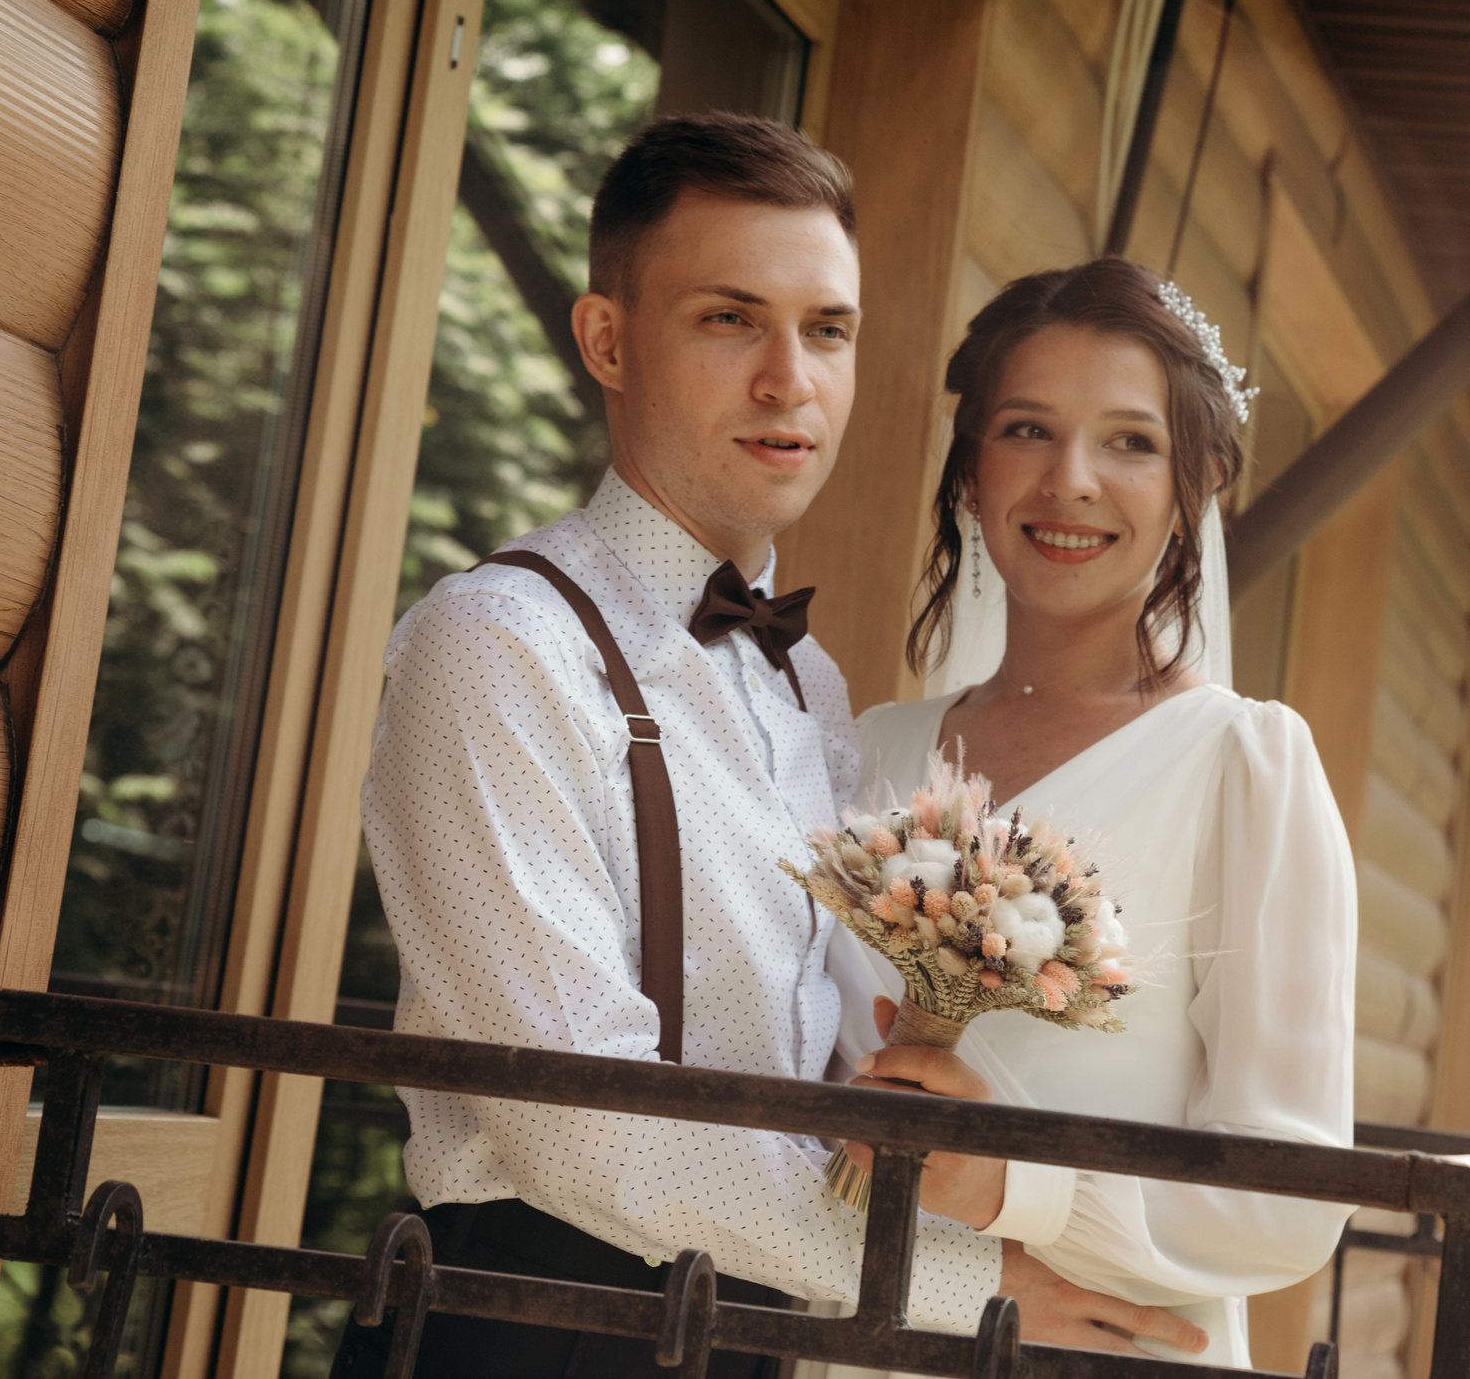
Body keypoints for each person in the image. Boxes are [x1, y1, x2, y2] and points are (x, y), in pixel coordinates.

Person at [336, 116, 1204, 1379]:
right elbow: (570, 1119)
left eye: (828, 329)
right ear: (608, 341)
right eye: (730, 318)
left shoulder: (805, 678)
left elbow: (811, 1041)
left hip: (754, 1331)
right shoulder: (498, 644)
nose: (789, 378)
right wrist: (967, 1279)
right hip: (535, 1321)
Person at [830, 257, 1358, 1369]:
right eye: (1026, 429)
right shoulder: (867, 748)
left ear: (1189, 486)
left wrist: (1019, 1184)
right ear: (970, 470)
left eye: (1129, 440)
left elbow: (1293, 1195)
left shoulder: (1242, 763)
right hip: (861, 1332)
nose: (1069, 479)